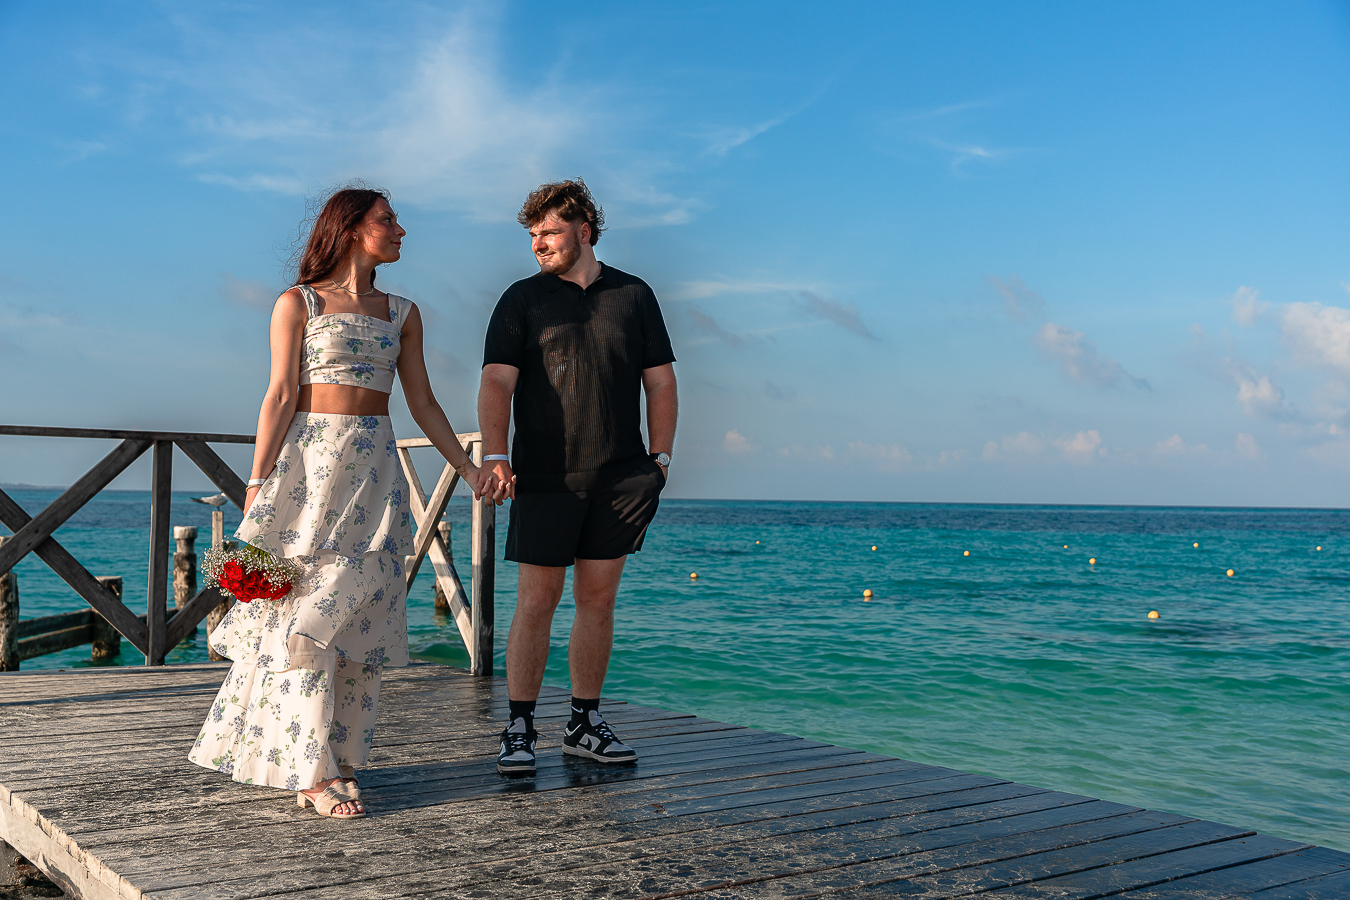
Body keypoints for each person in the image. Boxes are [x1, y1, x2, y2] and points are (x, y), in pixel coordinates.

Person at [190, 185, 492, 818]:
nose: (401, 230)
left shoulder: (402, 312)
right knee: (303, 618)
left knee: (360, 617)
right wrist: (255, 484)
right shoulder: (296, 303)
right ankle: (310, 769)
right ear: (353, 228)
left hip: (375, 470)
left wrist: (465, 468)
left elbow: (424, 403)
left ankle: (343, 759)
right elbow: (278, 396)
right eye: (389, 220)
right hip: (307, 469)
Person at [478, 178, 678, 775]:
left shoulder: (635, 295)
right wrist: (495, 454)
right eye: (533, 235)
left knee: (598, 600)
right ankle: (519, 726)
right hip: (545, 475)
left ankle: (584, 723)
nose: (539, 243)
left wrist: (660, 462)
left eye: (550, 232)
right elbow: (496, 382)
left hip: (621, 478)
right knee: (538, 600)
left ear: (584, 230)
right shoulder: (521, 299)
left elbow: (661, 381)